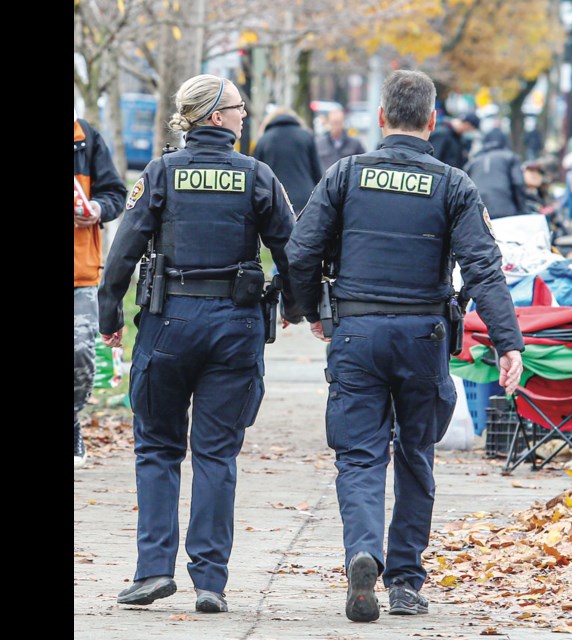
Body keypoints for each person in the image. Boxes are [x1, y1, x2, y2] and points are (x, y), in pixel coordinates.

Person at [285, 69, 524, 623]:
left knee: (361, 456)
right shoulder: (454, 184)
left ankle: (362, 552)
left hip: (358, 334)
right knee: (415, 457)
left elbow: (300, 251)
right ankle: (407, 583)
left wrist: (309, 311)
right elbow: (484, 270)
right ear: (434, 121)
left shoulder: (346, 174)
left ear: (381, 118)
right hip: (424, 338)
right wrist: (508, 343)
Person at [97, 74, 302, 615]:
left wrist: (109, 310)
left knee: (159, 449)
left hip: (168, 324)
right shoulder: (258, 175)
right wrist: (296, 305)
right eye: (237, 107)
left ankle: (152, 572)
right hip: (234, 328)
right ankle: (210, 581)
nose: (243, 114)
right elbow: (292, 249)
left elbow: (126, 246)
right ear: (214, 116)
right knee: (216, 454)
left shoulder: (161, 172)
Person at [74, 110, 128, 469]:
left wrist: (96, 208)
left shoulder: (85, 137)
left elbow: (115, 193)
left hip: (80, 270)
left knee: (80, 352)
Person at [254, 107, 324, 214]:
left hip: (274, 199)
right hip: (304, 199)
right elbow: (317, 172)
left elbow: (256, 175)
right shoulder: (306, 136)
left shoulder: (264, 140)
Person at [463, 130, 527, 219]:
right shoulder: (510, 157)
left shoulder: (473, 162)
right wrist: (522, 210)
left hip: (476, 212)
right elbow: (518, 183)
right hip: (505, 209)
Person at [315, 108, 366, 173]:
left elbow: (363, 164)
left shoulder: (355, 144)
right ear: (328, 123)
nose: (336, 126)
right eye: (334, 123)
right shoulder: (319, 144)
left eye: (339, 123)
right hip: (326, 180)